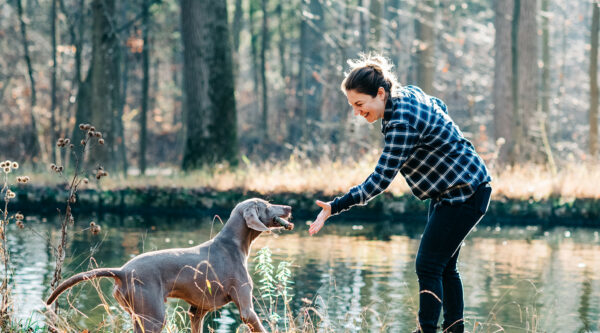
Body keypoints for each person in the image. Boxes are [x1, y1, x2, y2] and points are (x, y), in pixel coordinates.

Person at [308, 53, 492, 333]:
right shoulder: (406, 94)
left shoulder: (400, 123)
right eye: (352, 106)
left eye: (360, 104)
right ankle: (454, 329)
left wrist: (335, 206)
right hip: (453, 190)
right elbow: (438, 105)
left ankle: (427, 330)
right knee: (443, 267)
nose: (357, 112)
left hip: (465, 192)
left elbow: (379, 181)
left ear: (380, 93)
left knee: (428, 265)